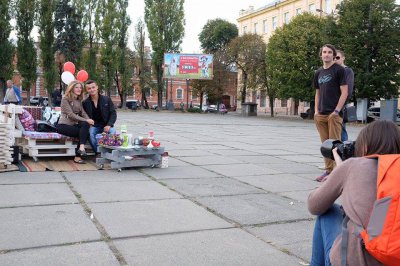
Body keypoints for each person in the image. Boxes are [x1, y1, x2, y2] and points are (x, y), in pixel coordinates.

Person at [308, 120, 400, 266]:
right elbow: (379, 216)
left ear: (364, 146)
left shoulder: (354, 166)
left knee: (328, 211)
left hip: (353, 261)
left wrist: (339, 172)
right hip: (391, 255)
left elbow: (314, 205)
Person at [313, 44, 348, 182]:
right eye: (324, 52)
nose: (326, 54)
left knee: (335, 145)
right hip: (321, 114)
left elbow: (344, 92)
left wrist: (336, 111)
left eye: (329, 52)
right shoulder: (318, 72)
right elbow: (317, 93)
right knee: (325, 145)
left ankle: (336, 173)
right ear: (321, 55)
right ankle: (328, 171)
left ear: (333, 55)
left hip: (333, 114)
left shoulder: (339, 70)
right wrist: (316, 111)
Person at [56, 81, 94, 164]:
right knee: (84, 133)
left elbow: (83, 113)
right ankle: (78, 155)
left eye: (80, 88)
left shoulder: (79, 100)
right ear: (72, 88)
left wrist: (89, 121)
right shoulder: (65, 99)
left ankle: (81, 148)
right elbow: (70, 115)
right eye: (77, 87)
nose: (79, 89)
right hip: (63, 125)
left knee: (85, 126)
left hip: (73, 125)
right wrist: (86, 120)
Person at [83, 80, 117, 153]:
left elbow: (113, 113)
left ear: (97, 87)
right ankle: (99, 153)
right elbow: (84, 115)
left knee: (113, 132)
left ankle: (110, 152)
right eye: (89, 88)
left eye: (93, 87)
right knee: (91, 133)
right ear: (87, 90)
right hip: (94, 126)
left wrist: (109, 125)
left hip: (106, 125)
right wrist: (89, 124)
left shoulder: (106, 99)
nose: (92, 90)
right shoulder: (85, 102)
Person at [335, 50, 354, 141]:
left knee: (341, 129)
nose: (335, 59)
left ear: (343, 58)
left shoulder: (347, 71)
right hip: (329, 105)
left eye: (338, 57)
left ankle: (344, 150)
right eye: (334, 57)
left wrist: (341, 105)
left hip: (340, 105)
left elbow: (348, 91)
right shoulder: (332, 71)